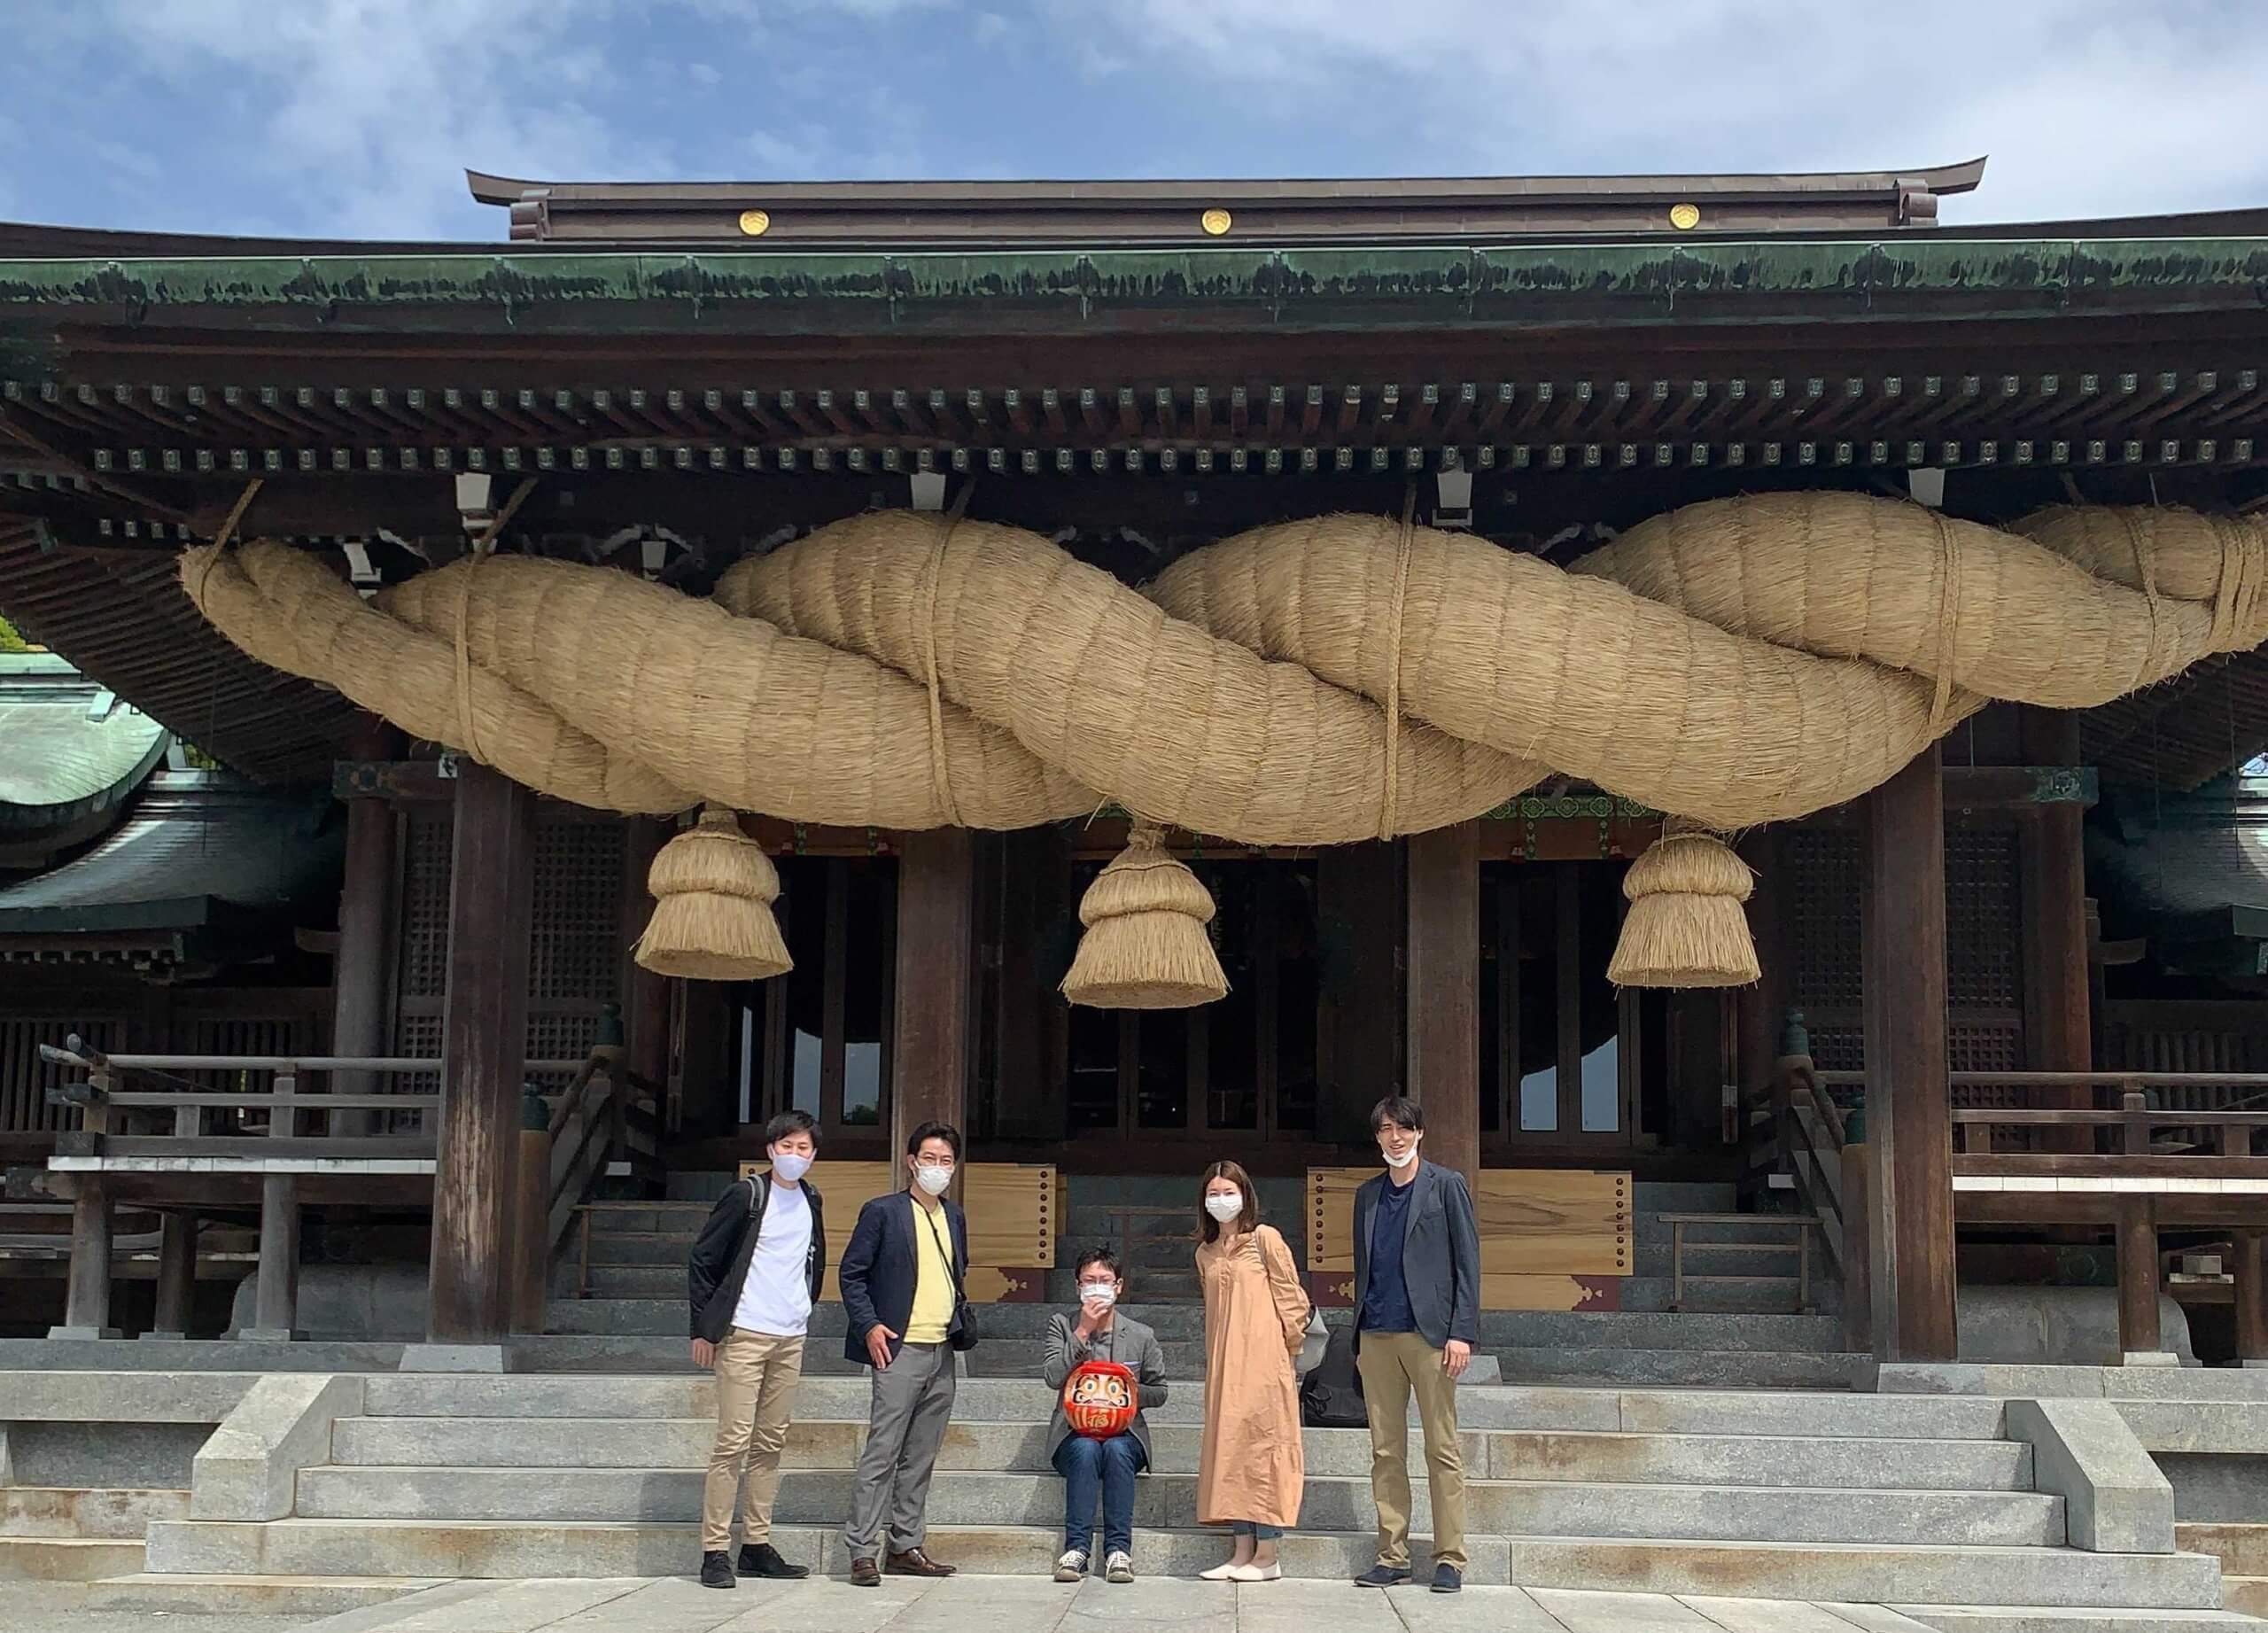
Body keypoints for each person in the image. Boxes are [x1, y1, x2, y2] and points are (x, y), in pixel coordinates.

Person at [686, 1109, 827, 1591]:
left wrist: (805, 1307)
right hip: (744, 1331)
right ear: (770, 1150)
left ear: (813, 1155)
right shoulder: (747, 1195)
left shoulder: (812, 1198)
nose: (794, 1155)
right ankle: (714, 1550)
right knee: (732, 1442)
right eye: (786, 1146)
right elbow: (704, 1259)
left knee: (771, 1442)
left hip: (790, 1335)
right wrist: (704, 1328)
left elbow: (814, 1259)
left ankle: (757, 1544)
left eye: (803, 1148)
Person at [1348, 1095, 1480, 1595]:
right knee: (1385, 1451)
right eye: (1386, 1129)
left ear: (1419, 1133)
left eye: (1404, 1128)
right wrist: (1358, 1334)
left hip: (1431, 1336)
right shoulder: (1367, 1195)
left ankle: (1449, 1557)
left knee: (1441, 1448)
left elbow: (1468, 1262)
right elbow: (1364, 1270)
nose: (1395, 1137)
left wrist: (1462, 1331)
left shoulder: (1446, 1186)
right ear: (1378, 1136)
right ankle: (1393, 1555)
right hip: (1377, 1334)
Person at [836, 1121, 970, 1587]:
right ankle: (862, 1549)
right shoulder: (883, 1212)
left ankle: (906, 1544)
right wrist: (869, 1325)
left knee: (922, 1454)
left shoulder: (954, 1217)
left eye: (946, 1160)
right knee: (883, 1451)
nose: (937, 1168)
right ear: (911, 1161)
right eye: (929, 1158)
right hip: (897, 1349)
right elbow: (851, 1274)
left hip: (942, 1349)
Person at [1192, 1160, 1310, 1583]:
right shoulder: (1205, 1253)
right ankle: (1240, 1550)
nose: (1221, 1200)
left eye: (1229, 1192)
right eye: (1214, 1193)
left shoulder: (1265, 1240)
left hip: (1264, 1362)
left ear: (1245, 1195)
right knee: (1232, 1452)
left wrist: (1288, 1354)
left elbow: (1292, 1299)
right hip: (1225, 1364)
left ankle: (1268, 1554)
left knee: (1264, 1452)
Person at [1040, 1248, 1170, 1585]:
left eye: (1104, 1281)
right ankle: (1077, 1549)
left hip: (1125, 1432)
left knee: (1115, 1451)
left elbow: (1161, 1390)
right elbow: (1053, 1376)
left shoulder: (1141, 1335)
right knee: (1085, 1451)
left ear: (1119, 1286)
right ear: (1078, 1286)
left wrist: (1121, 1392)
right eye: (1089, 1281)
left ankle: (1118, 1551)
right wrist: (1082, 1331)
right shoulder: (1062, 1325)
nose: (1097, 1288)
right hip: (1074, 1432)